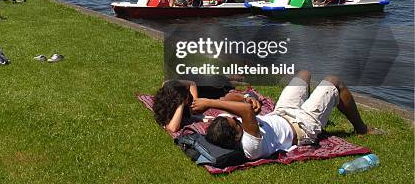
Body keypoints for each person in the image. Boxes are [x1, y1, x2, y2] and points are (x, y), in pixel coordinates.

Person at [198, 71, 378, 160]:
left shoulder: (227, 127)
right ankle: (361, 129)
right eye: (237, 123)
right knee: (334, 82)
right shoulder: (250, 147)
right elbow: (245, 112)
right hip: (302, 126)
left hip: (282, 111)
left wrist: (247, 97)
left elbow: (228, 97)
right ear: (237, 135)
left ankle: (316, 106)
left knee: (304, 74)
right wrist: (208, 102)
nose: (237, 119)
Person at [153, 80, 233, 132]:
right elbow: (172, 128)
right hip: (203, 87)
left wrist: (194, 104)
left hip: (209, 87)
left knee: (225, 89)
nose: (188, 100)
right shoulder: (166, 102)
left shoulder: (176, 89)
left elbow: (191, 83)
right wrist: (181, 104)